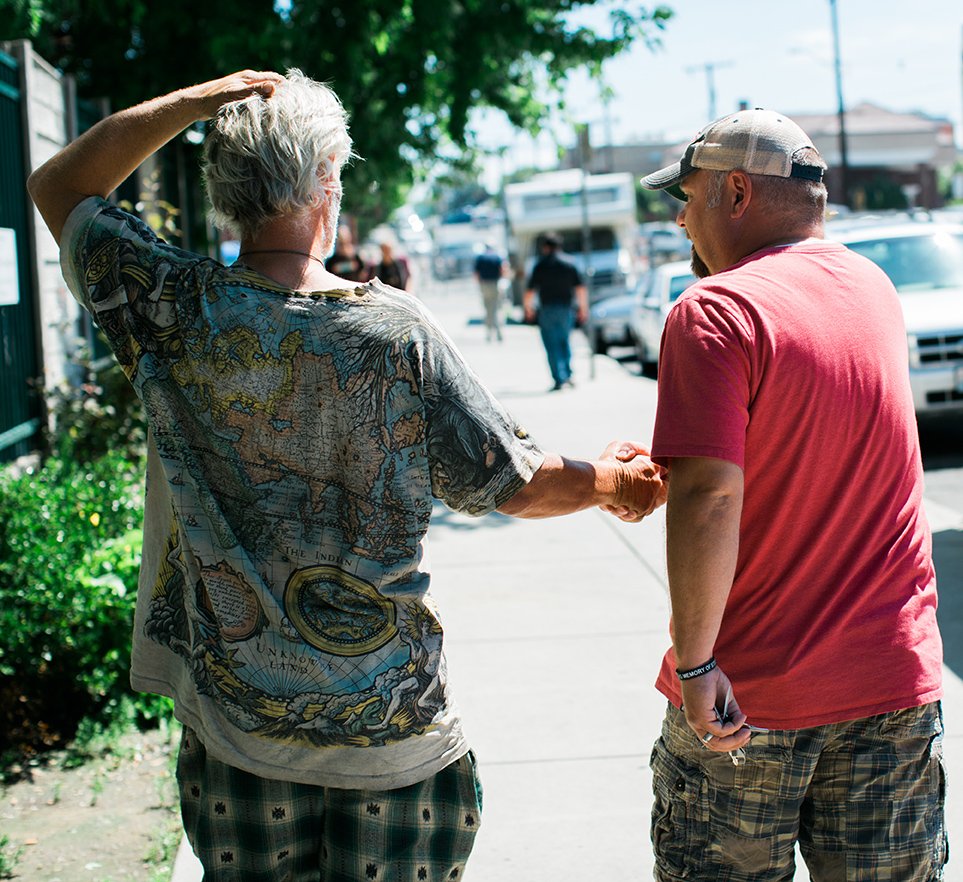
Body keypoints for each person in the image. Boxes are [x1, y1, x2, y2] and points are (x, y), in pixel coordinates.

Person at [27, 69, 666, 882]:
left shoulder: (168, 307)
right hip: (391, 745)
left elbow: (59, 183)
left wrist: (195, 101)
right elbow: (512, 483)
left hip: (238, 737)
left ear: (222, 188)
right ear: (327, 178)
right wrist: (611, 484)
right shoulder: (393, 330)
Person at [632, 108, 946, 881]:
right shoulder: (871, 287)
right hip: (892, 683)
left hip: (751, 698)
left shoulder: (715, 310)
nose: (679, 216)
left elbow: (708, 498)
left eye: (690, 194)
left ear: (735, 192)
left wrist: (698, 664)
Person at [523, 234, 589, 391]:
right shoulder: (570, 264)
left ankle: (559, 379)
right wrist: (583, 308)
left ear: (545, 247)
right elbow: (580, 289)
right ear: (560, 246)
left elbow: (530, 291)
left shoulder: (539, 265)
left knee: (551, 345)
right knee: (564, 341)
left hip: (546, 310)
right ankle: (568, 374)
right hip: (566, 309)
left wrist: (528, 308)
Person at [473, 241, 505, 342]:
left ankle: (488, 333)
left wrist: (480, 284)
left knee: (487, 310)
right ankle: (499, 332)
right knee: (496, 309)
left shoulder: (481, 258)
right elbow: (503, 271)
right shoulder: (497, 257)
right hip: (495, 284)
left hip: (485, 285)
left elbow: (476, 274)